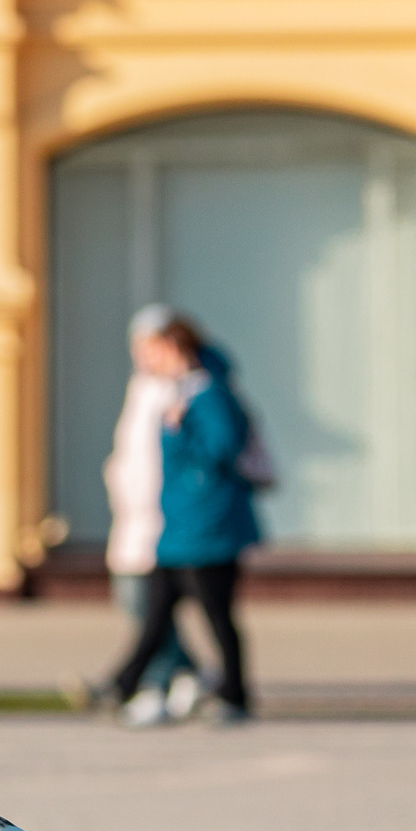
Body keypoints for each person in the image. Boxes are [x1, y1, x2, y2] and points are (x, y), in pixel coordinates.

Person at [104, 312, 260, 724]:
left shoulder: (207, 392)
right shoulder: (170, 391)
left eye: (150, 350)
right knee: (154, 612)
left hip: (207, 528)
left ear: (172, 347)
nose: (143, 358)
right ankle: (124, 682)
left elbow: (223, 446)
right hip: (176, 527)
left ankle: (234, 695)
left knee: (216, 615)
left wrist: (178, 430)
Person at [100, 305, 208, 726]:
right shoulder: (143, 387)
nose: (143, 355)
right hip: (133, 516)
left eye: (151, 346)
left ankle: (157, 686)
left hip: (162, 517)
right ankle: (190, 674)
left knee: (149, 605)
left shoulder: (186, 389)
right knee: (136, 601)